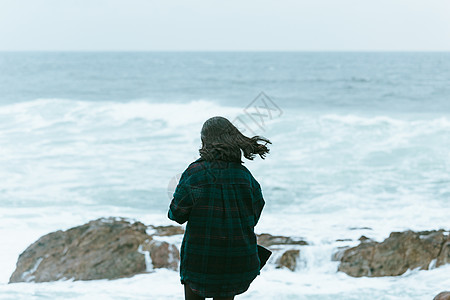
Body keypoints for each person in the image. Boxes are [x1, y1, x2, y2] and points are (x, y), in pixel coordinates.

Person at [168, 116, 271, 300]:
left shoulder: (195, 173)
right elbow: (254, 214)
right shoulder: (245, 176)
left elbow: (176, 214)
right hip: (236, 258)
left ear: (205, 140)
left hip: (201, 258)